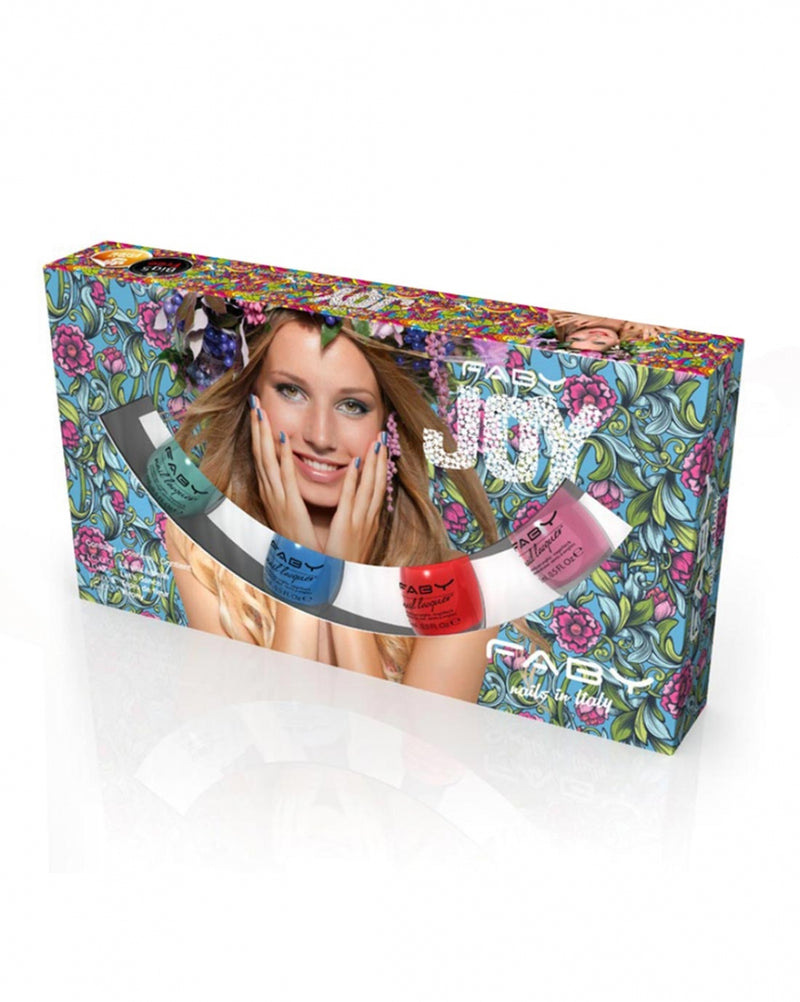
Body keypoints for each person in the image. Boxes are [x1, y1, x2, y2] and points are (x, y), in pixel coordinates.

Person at [166, 305, 502, 702]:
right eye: (291, 391)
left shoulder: (461, 592)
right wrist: (300, 560)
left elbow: (384, 745)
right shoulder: (201, 544)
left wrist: (346, 584)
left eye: (352, 406)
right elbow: (273, 735)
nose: (321, 436)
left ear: (388, 424)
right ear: (252, 397)